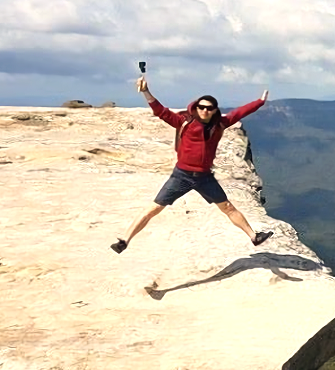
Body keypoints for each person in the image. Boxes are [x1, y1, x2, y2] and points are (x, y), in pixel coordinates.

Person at [111, 76, 273, 254]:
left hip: (205, 177)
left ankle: (254, 237)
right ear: (196, 107)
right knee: (155, 207)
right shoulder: (184, 122)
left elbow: (239, 113)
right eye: (201, 107)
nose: (204, 110)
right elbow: (160, 111)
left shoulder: (219, 124)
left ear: (214, 111)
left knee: (227, 207)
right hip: (181, 175)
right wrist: (146, 91)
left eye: (209, 108)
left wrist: (260, 102)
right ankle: (125, 240)